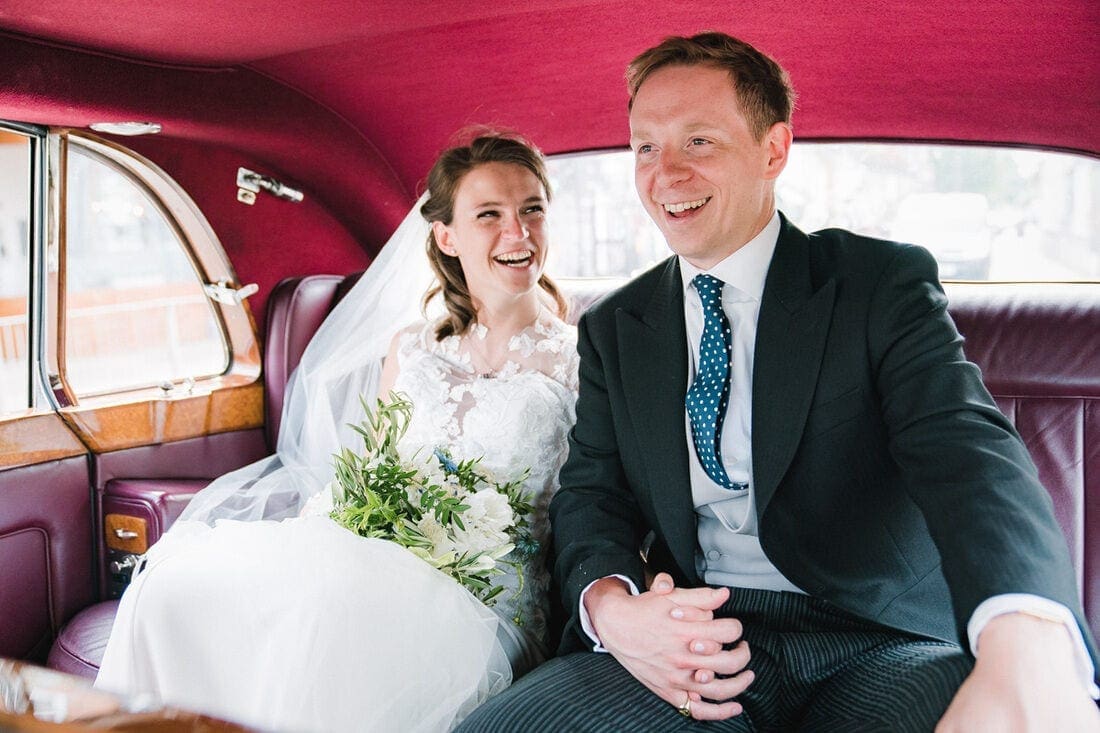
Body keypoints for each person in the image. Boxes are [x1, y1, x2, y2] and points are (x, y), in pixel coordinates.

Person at [456, 33, 1100, 732]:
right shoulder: (616, 326)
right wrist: (615, 610)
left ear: (774, 149)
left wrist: (1026, 631)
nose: (665, 174)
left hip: (881, 643)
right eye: (645, 147)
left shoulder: (877, 286)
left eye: (698, 141)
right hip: (699, 639)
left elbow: (967, 455)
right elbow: (591, 498)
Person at [94, 133, 579, 733]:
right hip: (374, 554)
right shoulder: (412, 349)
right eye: (490, 215)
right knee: (172, 590)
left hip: (491, 596)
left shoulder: (579, 358)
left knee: (335, 624)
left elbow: (594, 498)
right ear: (446, 237)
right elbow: (374, 469)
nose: (519, 233)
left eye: (532, 209)